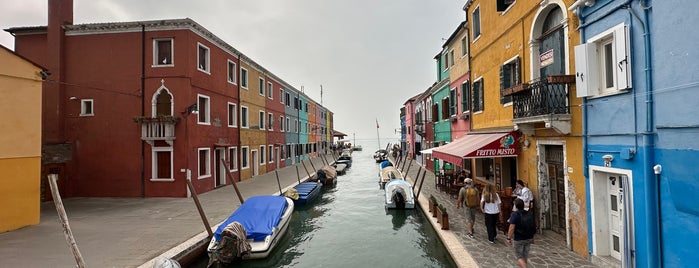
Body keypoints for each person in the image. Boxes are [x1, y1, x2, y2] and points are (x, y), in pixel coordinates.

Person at [507, 198, 536, 268]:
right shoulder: (529, 214)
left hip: (519, 238)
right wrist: (532, 237)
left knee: (519, 257)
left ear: (515, 206)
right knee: (524, 256)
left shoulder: (515, 215)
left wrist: (508, 238)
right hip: (528, 237)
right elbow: (532, 225)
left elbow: (511, 228)